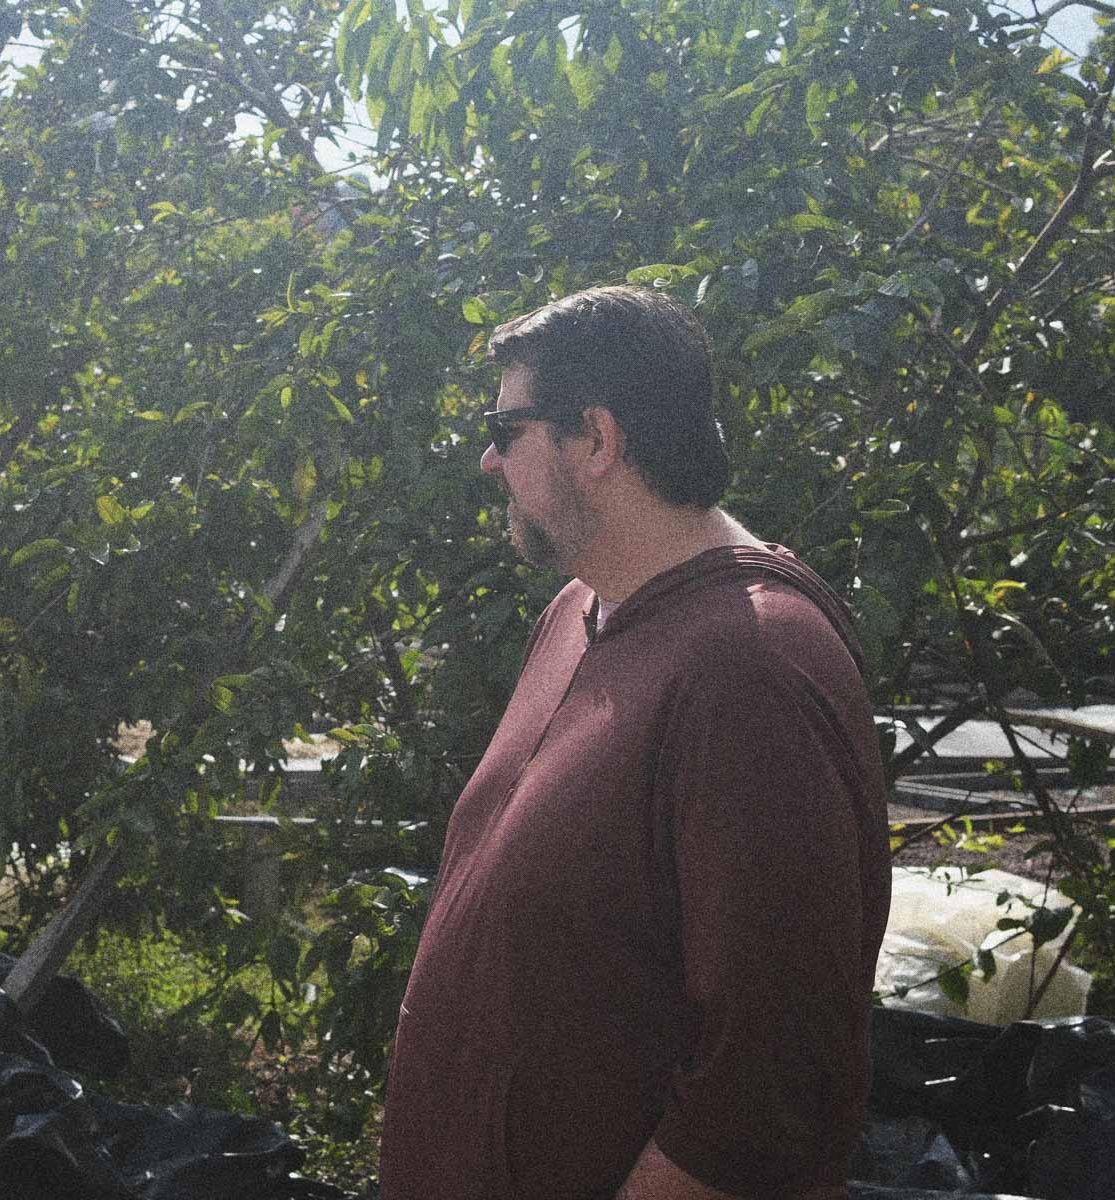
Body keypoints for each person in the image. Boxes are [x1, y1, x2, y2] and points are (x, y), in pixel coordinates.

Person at [377, 287, 890, 1199]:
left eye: (507, 428)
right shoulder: (580, 610)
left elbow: (774, 1077)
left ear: (598, 441)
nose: (491, 461)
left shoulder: (751, 665)